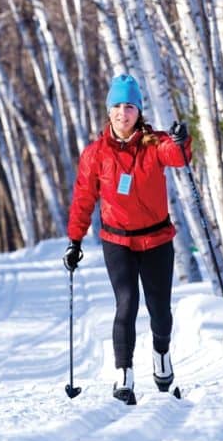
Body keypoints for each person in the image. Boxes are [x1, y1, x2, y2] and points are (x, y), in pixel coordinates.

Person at [63, 73, 191, 405]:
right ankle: (124, 375)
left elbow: (177, 157)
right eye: (117, 106)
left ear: (139, 111)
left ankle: (161, 355)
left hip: (157, 240)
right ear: (109, 110)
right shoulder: (96, 154)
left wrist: (181, 141)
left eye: (130, 106)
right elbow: (82, 198)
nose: (123, 112)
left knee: (160, 310)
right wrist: (75, 240)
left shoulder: (154, 143)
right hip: (117, 241)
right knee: (126, 305)